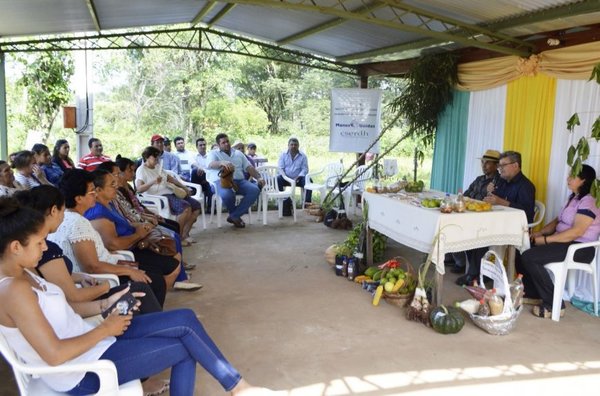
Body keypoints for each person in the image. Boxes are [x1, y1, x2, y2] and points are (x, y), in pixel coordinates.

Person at [0, 197, 280, 396]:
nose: (44, 246)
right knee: (185, 349)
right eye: (39, 243)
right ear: (15, 247)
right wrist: (106, 329)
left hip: (93, 341)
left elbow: (66, 310)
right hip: (82, 371)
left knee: (185, 317)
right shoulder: (13, 290)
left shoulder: (24, 274)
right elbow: (54, 354)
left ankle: (239, 388)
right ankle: (239, 388)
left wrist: (107, 304)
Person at [14, 185, 162, 313]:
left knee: (144, 287)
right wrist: (105, 286)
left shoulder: (41, 245)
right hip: (77, 306)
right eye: (62, 211)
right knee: (143, 289)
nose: (64, 216)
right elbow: (74, 295)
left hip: (77, 295)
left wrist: (81, 277)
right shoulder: (48, 249)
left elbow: (52, 277)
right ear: (54, 210)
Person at [49, 169, 172, 307]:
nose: (95, 194)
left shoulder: (66, 218)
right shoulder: (78, 223)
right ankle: (149, 321)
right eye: (91, 191)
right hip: (99, 278)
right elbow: (92, 267)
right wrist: (129, 271)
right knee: (154, 281)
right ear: (78, 199)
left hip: (107, 266)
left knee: (154, 273)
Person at [97, 161, 201, 290]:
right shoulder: (103, 209)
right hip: (132, 242)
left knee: (173, 230)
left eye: (117, 176)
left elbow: (136, 209)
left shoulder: (118, 195)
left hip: (137, 231)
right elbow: (121, 229)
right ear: (98, 189)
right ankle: (179, 277)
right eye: (115, 176)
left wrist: (148, 218)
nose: (116, 180)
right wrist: (140, 229)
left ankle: (180, 273)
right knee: (171, 238)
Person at [517, 164, 600, 318]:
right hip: (564, 243)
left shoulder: (589, 201)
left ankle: (554, 302)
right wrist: (539, 233)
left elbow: (576, 232)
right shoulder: (573, 198)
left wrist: (546, 240)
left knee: (530, 256)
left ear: (583, 180)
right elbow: (558, 221)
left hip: (580, 248)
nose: (568, 178)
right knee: (521, 247)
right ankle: (534, 293)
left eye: (572, 176)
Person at [456, 150, 536, 286]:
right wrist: (490, 192)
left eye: (503, 165)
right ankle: (479, 272)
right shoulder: (504, 182)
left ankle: (474, 274)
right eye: (499, 165)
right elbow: (492, 200)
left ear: (515, 165)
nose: (500, 168)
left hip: (514, 228)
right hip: (498, 222)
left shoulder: (526, 186)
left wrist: (501, 201)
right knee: (470, 232)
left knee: (481, 235)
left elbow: (527, 212)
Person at [448, 149, 502, 274]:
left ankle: (471, 269)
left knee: (464, 232)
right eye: (483, 162)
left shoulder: (498, 181)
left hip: (484, 220)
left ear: (496, 165)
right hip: (470, 214)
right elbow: (466, 195)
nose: (483, 165)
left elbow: (489, 201)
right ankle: (458, 260)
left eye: (488, 163)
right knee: (452, 224)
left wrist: (481, 194)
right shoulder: (479, 179)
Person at [136, 146, 201, 244]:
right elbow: (139, 189)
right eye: (155, 158)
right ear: (147, 157)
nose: (157, 160)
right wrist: (153, 182)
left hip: (171, 192)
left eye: (158, 158)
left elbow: (171, 179)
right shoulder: (141, 170)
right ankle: (178, 238)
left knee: (196, 206)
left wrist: (184, 187)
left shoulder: (158, 167)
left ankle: (185, 234)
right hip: (160, 196)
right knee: (186, 208)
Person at [207, 133, 265, 228]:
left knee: (255, 190)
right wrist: (221, 162)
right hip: (222, 181)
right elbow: (210, 164)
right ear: (218, 145)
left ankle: (234, 216)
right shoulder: (213, 153)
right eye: (223, 142)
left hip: (239, 181)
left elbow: (249, 167)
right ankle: (236, 217)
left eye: (227, 141)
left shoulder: (238, 153)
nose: (226, 144)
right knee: (227, 194)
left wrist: (259, 177)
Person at [277, 137, 310, 207]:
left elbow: (305, 169)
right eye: (291, 144)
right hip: (285, 178)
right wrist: (287, 178)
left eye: (295, 145)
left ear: (298, 146)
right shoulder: (283, 155)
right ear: (288, 145)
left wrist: (298, 177)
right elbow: (280, 169)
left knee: (308, 180)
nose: (293, 146)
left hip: (298, 179)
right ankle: (281, 201)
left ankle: (307, 203)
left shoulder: (303, 156)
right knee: (278, 179)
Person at [191, 137, 214, 212]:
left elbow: (211, 169)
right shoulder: (193, 155)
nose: (203, 146)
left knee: (211, 187)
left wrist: (204, 172)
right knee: (195, 170)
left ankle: (210, 208)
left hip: (208, 180)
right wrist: (200, 167)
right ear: (197, 147)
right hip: (197, 181)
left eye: (204, 145)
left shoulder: (210, 156)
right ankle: (196, 205)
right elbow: (193, 164)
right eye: (200, 145)